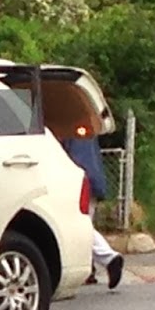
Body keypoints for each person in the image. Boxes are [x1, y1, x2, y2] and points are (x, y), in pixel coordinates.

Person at [59, 123, 123, 289]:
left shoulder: (66, 130)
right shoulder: (84, 127)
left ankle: (109, 258)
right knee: (84, 224)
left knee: (79, 226)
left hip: (79, 181)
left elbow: (70, 157)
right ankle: (90, 269)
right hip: (93, 179)